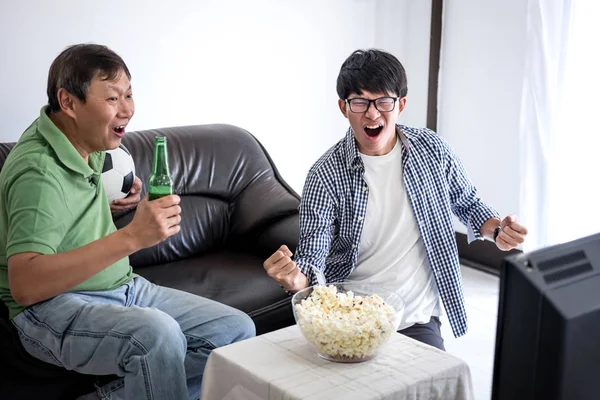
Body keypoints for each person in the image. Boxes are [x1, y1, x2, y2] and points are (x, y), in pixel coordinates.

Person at [0, 44, 255, 400]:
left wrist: (115, 206)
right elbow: (25, 283)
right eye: (112, 99)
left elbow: (62, 220)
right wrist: (133, 237)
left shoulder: (81, 141)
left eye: (129, 95)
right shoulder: (38, 172)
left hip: (122, 287)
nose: (127, 110)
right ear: (69, 102)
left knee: (236, 331)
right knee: (157, 335)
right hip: (51, 307)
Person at [263, 49, 528, 351]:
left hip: (416, 319)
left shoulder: (432, 149)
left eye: (383, 101)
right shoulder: (325, 175)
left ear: (400, 104)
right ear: (343, 107)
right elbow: (313, 254)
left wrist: (497, 230)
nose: (372, 114)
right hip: (349, 320)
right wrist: (296, 281)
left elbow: (467, 203)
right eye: (360, 102)